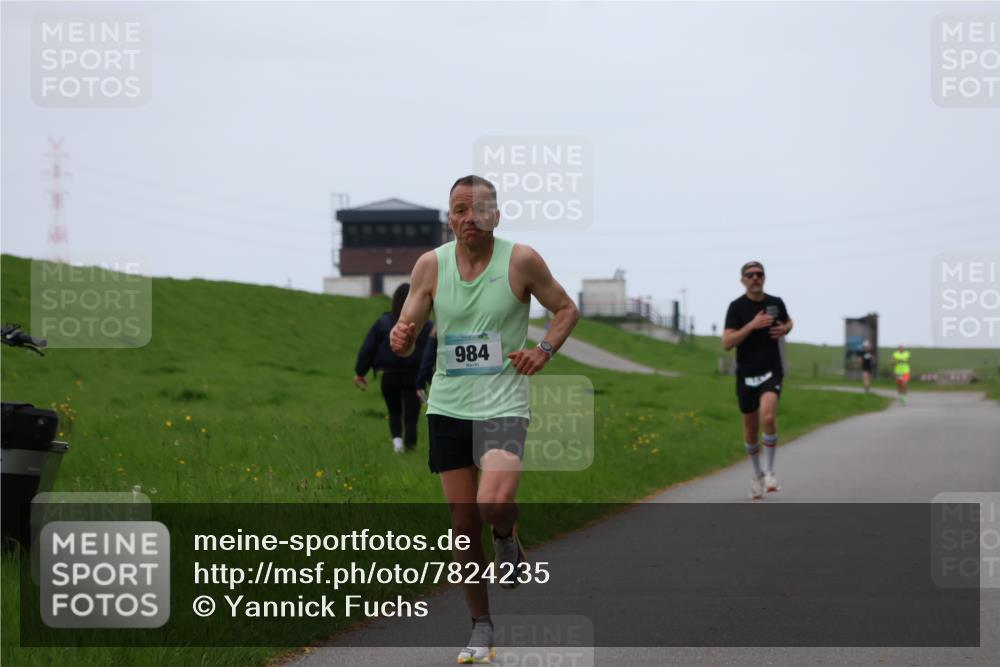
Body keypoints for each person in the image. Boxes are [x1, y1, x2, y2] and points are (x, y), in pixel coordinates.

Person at [390, 175, 579, 664]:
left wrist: (543, 350)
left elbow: (565, 310)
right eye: (458, 210)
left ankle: (506, 536)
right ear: (448, 216)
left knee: (493, 503)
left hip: (503, 404)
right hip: (449, 405)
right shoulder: (430, 266)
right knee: (461, 522)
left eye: (478, 210)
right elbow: (408, 327)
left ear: (496, 215)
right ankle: (480, 626)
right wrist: (402, 338)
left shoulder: (520, 261)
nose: (467, 218)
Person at [722, 261, 793, 500]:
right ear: (742, 280)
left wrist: (785, 328)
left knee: (768, 415)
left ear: (764, 278)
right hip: (746, 374)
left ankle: (771, 472)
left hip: (771, 370)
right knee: (750, 429)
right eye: (750, 275)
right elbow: (727, 343)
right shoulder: (736, 308)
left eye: (759, 274)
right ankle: (758, 475)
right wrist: (752, 325)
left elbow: (788, 321)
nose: (755, 278)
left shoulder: (775, 302)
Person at [354, 283, 432, 453]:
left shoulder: (384, 322)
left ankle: (397, 445)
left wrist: (360, 372)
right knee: (411, 417)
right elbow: (433, 354)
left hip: (390, 376)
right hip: (415, 378)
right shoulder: (427, 326)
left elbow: (369, 347)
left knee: (394, 412)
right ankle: (410, 449)